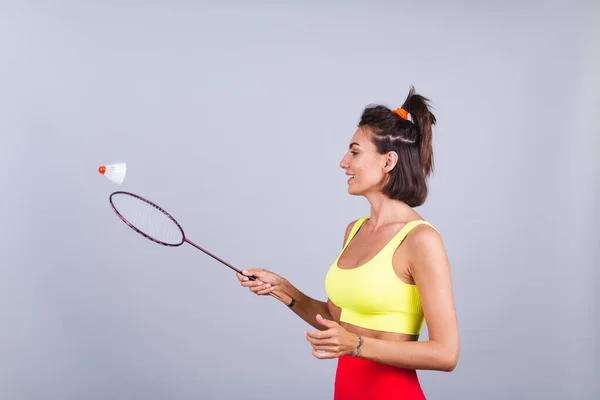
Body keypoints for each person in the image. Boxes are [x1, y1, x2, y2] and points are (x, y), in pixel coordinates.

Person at [236, 86, 459, 399]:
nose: (344, 162)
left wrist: (356, 346)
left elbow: (446, 354)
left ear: (388, 161)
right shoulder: (354, 230)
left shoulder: (421, 240)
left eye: (354, 152)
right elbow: (339, 322)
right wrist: (284, 289)